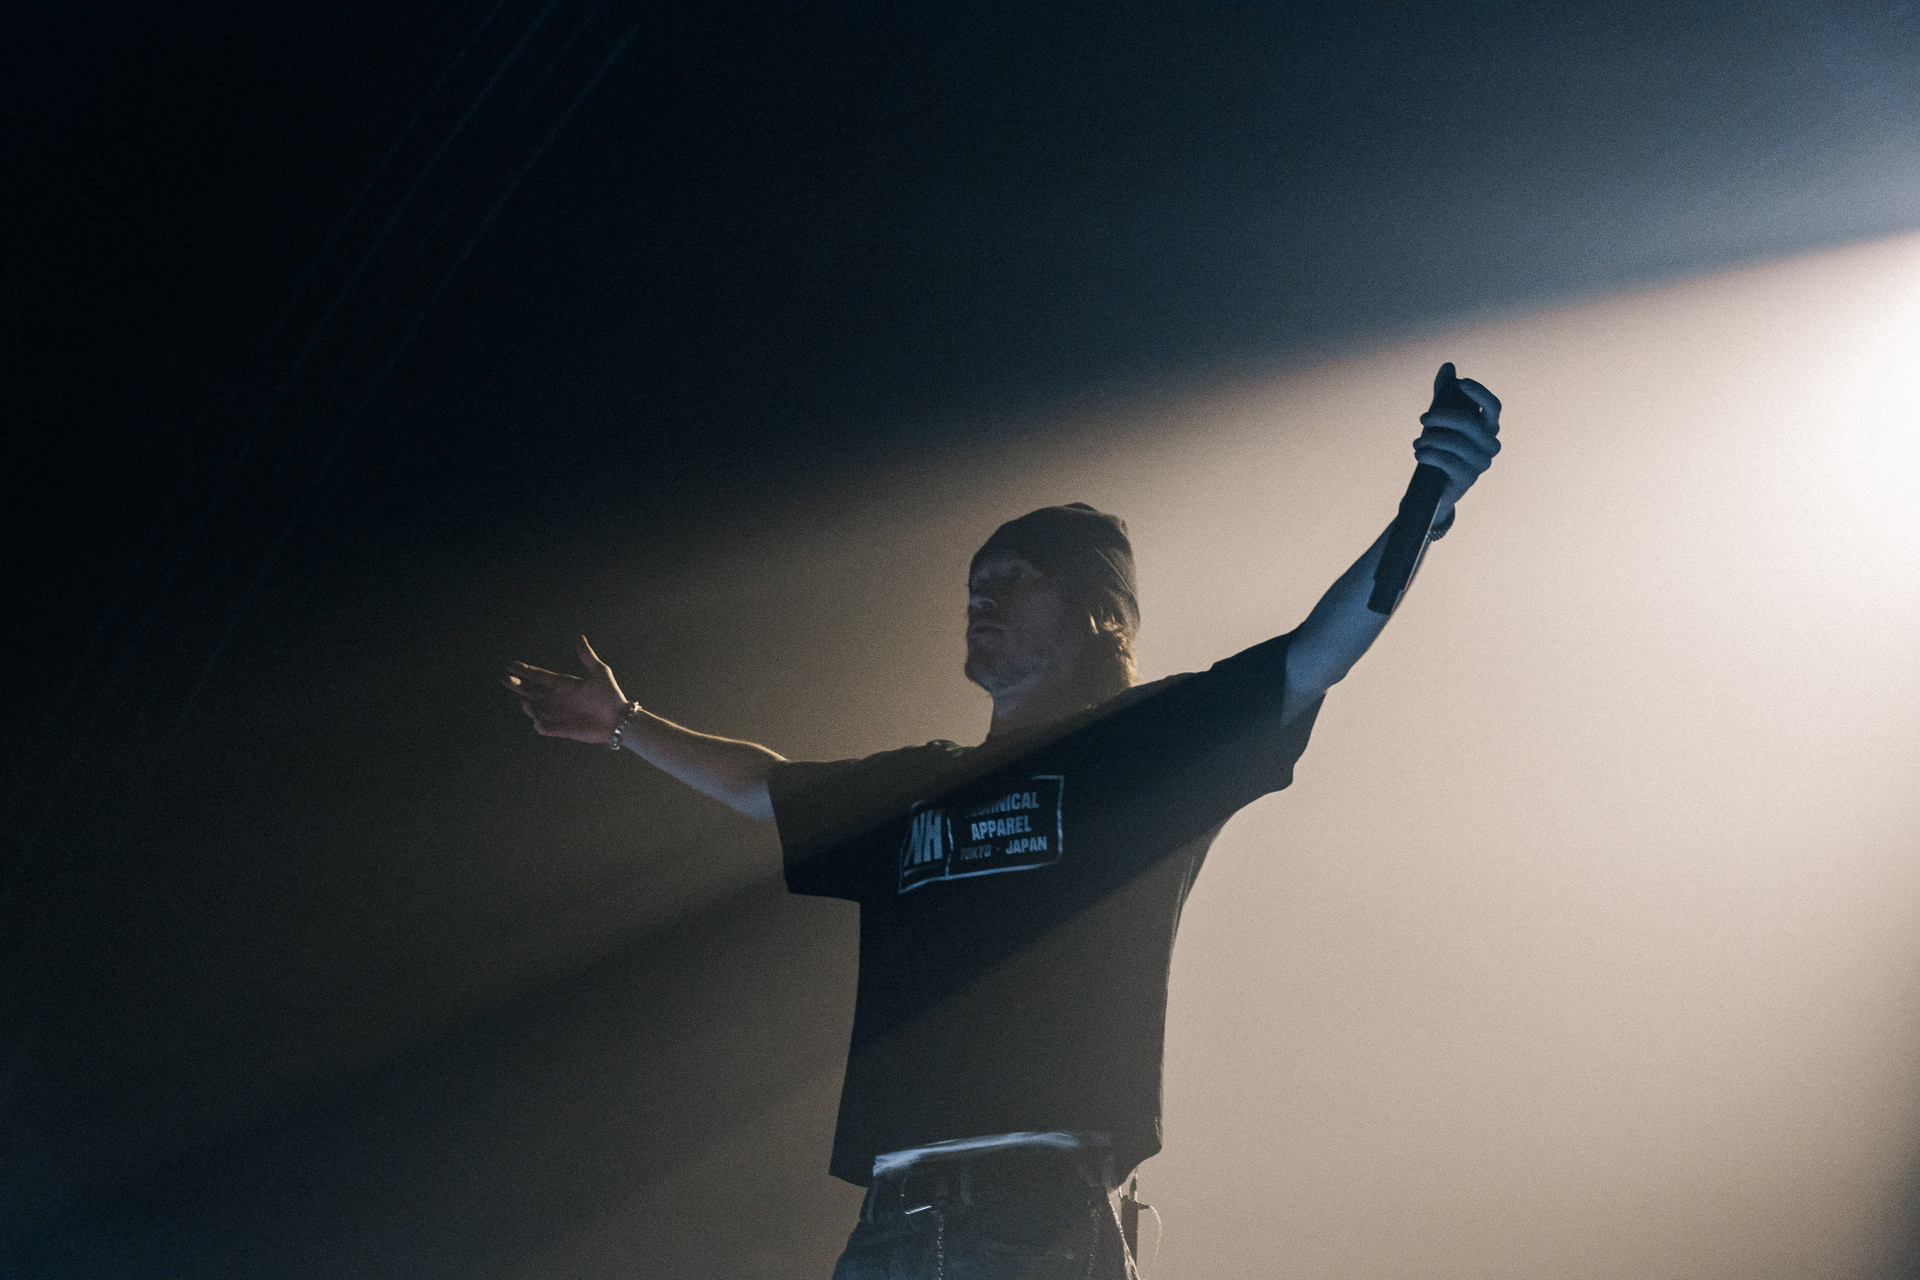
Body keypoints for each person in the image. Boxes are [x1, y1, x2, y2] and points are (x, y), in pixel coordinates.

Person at [504, 363, 1502, 1279]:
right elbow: (764, 785)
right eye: (975, 585)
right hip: (889, 1229)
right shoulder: (919, 786)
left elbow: (1314, 654)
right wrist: (623, 723)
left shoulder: (1142, 748)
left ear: (1097, 610)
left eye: (1014, 577)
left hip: (1037, 1222)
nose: (982, 597)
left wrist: (1429, 498)